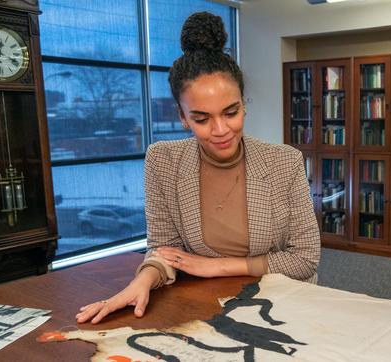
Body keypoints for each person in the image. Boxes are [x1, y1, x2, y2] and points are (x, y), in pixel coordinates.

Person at [76, 12, 320, 324]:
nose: (220, 130)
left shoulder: (283, 161)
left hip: (282, 305)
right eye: (202, 119)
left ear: (244, 104)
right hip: (204, 306)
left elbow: (304, 260)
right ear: (182, 116)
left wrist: (215, 266)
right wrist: (144, 279)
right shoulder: (163, 160)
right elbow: (165, 249)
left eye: (231, 112)